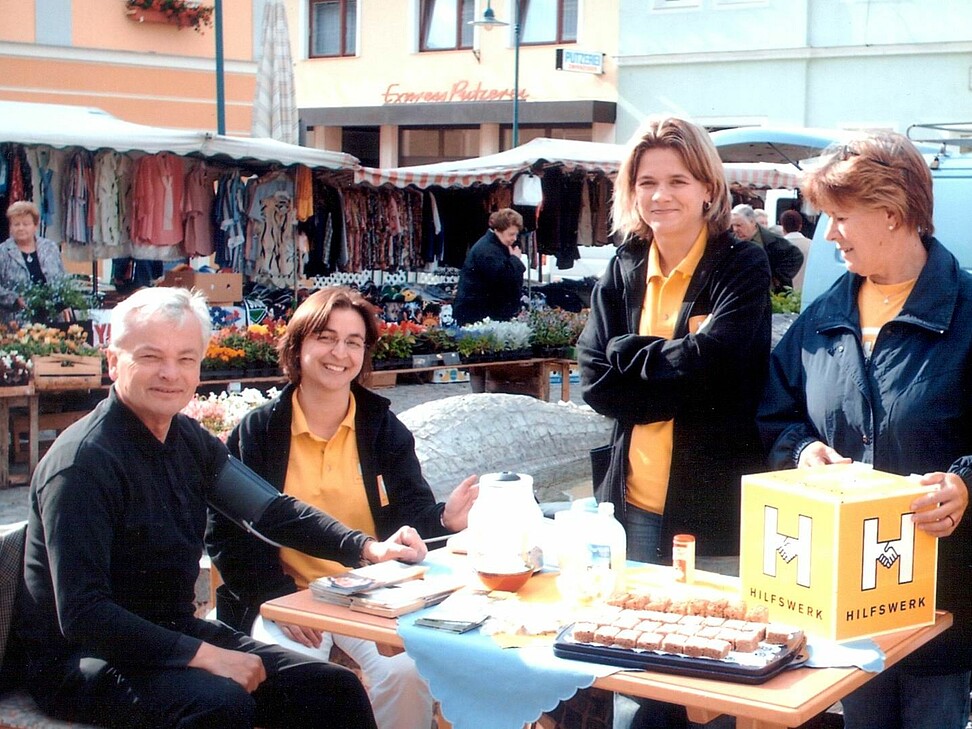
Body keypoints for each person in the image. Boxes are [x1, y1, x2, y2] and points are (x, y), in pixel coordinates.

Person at [15, 286, 429, 729]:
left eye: (186, 358)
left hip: (171, 630)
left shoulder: (186, 440)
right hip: (83, 659)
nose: (170, 373)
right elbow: (84, 614)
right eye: (151, 357)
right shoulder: (82, 463)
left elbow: (272, 512)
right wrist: (205, 655)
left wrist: (366, 548)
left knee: (331, 687)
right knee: (223, 702)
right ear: (114, 361)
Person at [757, 131, 971, 729]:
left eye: (841, 216)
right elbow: (778, 414)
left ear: (893, 212)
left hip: (941, 601)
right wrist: (802, 451)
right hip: (845, 603)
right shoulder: (824, 317)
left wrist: (965, 485)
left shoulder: (968, 312)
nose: (829, 234)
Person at [208, 286, 478, 729]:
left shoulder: (382, 427)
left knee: (407, 671)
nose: (340, 353)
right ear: (298, 346)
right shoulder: (258, 431)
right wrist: (274, 598)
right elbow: (225, 533)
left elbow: (412, 515)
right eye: (326, 338)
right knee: (300, 678)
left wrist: (444, 519)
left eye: (354, 342)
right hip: (288, 595)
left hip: (372, 595)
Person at [576, 115, 772, 728]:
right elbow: (594, 379)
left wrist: (630, 358)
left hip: (711, 505)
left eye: (678, 181)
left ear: (708, 188)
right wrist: (674, 371)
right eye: (647, 182)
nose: (661, 195)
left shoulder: (740, 265)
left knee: (710, 679)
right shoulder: (625, 265)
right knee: (635, 667)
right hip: (632, 505)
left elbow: (725, 367)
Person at [451, 207, 527, 327]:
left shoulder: (495, 246)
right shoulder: (488, 251)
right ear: (498, 230)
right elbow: (503, 279)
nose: (514, 238)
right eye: (511, 234)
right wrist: (515, 260)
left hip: (483, 315)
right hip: (478, 317)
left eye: (516, 234)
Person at [0, 200, 68, 322]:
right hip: (16, 321)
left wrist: (65, 300)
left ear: (35, 226)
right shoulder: (3, 251)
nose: (21, 228)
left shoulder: (50, 248)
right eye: (16, 224)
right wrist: (14, 299)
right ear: (10, 227)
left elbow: (62, 279)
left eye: (26, 224)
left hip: (52, 318)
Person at [730, 203, 804, 292]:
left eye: (739, 225)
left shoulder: (771, 239)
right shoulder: (731, 241)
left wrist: (777, 277)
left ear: (752, 222)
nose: (735, 229)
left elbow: (796, 256)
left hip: (769, 293)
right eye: (733, 225)